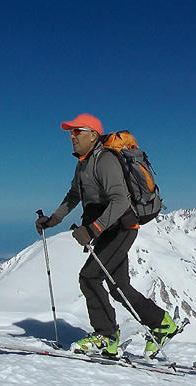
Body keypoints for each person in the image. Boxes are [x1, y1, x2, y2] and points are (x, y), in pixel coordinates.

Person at [35, 113, 178, 358]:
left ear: (93, 135)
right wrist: (53, 220)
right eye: (71, 132)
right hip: (108, 229)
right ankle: (161, 324)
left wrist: (92, 230)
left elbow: (120, 201)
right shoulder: (83, 163)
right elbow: (73, 196)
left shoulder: (106, 161)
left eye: (77, 131)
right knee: (118, 286)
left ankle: (106, 335)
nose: (72, 136)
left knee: (89, 277)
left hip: (122, 228)